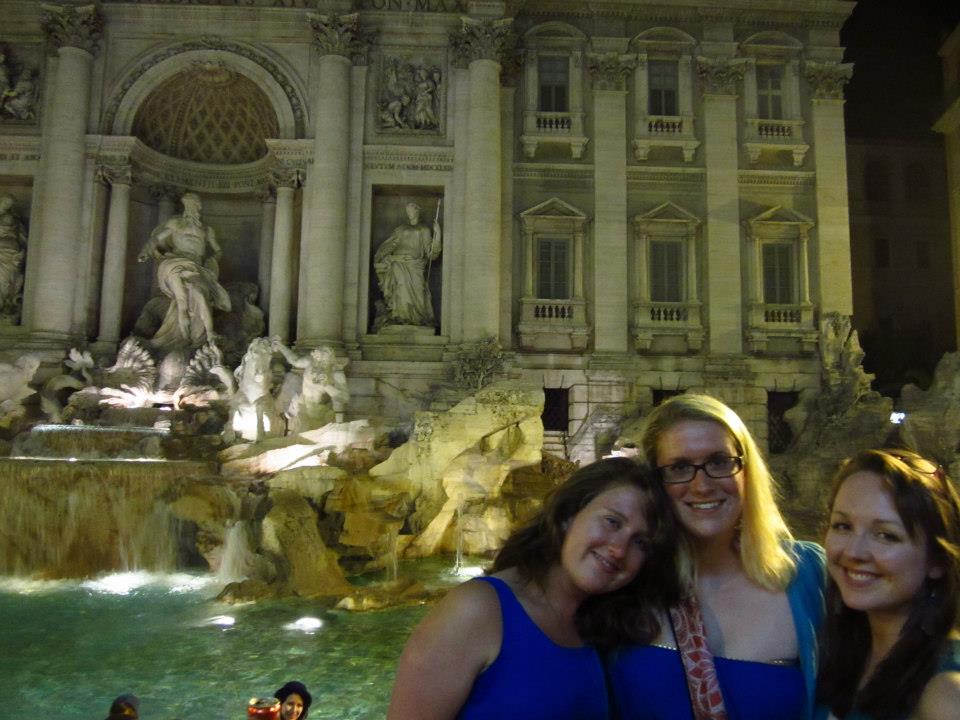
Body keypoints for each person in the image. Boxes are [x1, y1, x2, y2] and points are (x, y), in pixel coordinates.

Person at [387, 457, 680, 720]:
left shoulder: (599, 627)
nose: (619, 549)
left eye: (641, 542)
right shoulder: (477, 609)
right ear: (568, 516)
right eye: (612, 521)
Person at [608, 393, 825, 720]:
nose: (702, 486)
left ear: (746, 470)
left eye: (719, 462)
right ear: (656, 481)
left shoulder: (808, 573)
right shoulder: (624, 578)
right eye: (680, 467)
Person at [815, 449, 960, 720]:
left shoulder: (946, 694)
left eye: (886, 535)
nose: (854, 552)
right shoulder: (843, 650)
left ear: (937, 561)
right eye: (843, 526)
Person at [137, 192, 231, 350]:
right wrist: (146, 251)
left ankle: (208, 333)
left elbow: (218, 250)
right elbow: (157, 239)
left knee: (199, 293)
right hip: (176, 261)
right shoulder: (176, 223)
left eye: (193, 204)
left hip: (196, 266)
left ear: (198, 207)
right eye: (188, 204)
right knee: (181, 299)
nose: (190, 208)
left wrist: (213, 260)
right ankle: (183, 324)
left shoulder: (207, 230)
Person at [373, 201, 441, 330]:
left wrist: (438, 235)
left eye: (412, 210)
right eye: (407, 211)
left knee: (419, 291)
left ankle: (418, 319)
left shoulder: (424, 230)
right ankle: (400, 317)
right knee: (401, 287)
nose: (409, 213)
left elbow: (432, 254)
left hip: (415, 265)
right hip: (398, 263)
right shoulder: (400, 229)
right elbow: (390, 245)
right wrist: (382, 256)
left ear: (417, 211)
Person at [0, 194, 26, 320]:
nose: (7, 206)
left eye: (9, 205)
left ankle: (6, 301)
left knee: (6, 280)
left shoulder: (13, 219)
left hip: (10, 254)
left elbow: (21, 237)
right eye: (5, 203)